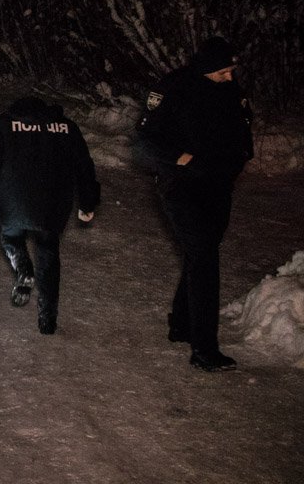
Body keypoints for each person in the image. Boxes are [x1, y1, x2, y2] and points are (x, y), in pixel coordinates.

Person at [134, 36, 254, 372]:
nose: (229, 78)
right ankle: (205, 349)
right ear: (205, 69)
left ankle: (181, 324)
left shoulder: (231, 90)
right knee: (205, 256)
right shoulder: (173, 88)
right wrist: (181, 159)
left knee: (202, 250)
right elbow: (144, 142)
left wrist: (239, 159)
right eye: (222, 73)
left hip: (219, 184)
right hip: (181, 187)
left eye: (231, 72)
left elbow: (243, 128)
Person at [0, 96, 100, 335]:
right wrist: (88, 203)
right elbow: (84, 166)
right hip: (53, 203)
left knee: (11, 238)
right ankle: (48, 319)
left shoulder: (4, 125)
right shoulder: (67, 127)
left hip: (14, 200)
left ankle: (23, 269)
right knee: (48, 252)